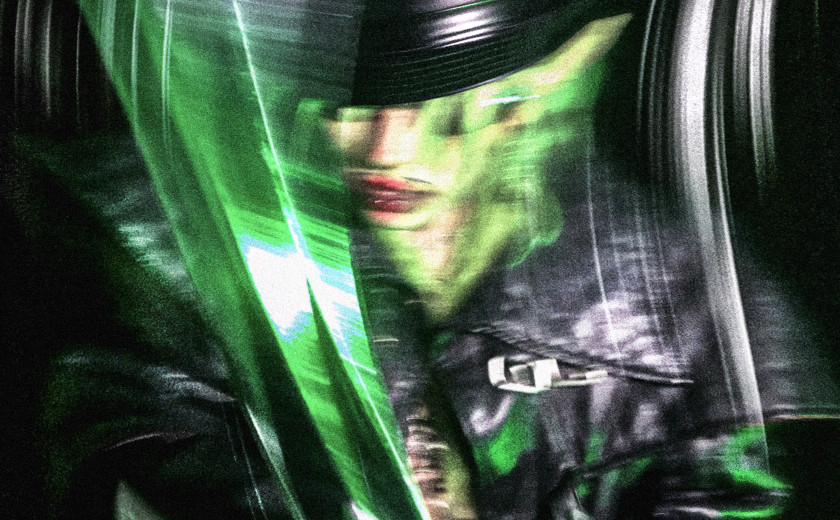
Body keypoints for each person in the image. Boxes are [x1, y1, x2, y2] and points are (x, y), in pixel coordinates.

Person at [23, 0, 839, 519]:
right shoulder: (154, 252)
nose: (388, 145)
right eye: (349, 96)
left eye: (433, 93)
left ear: (535, 84)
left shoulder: (701, 333)